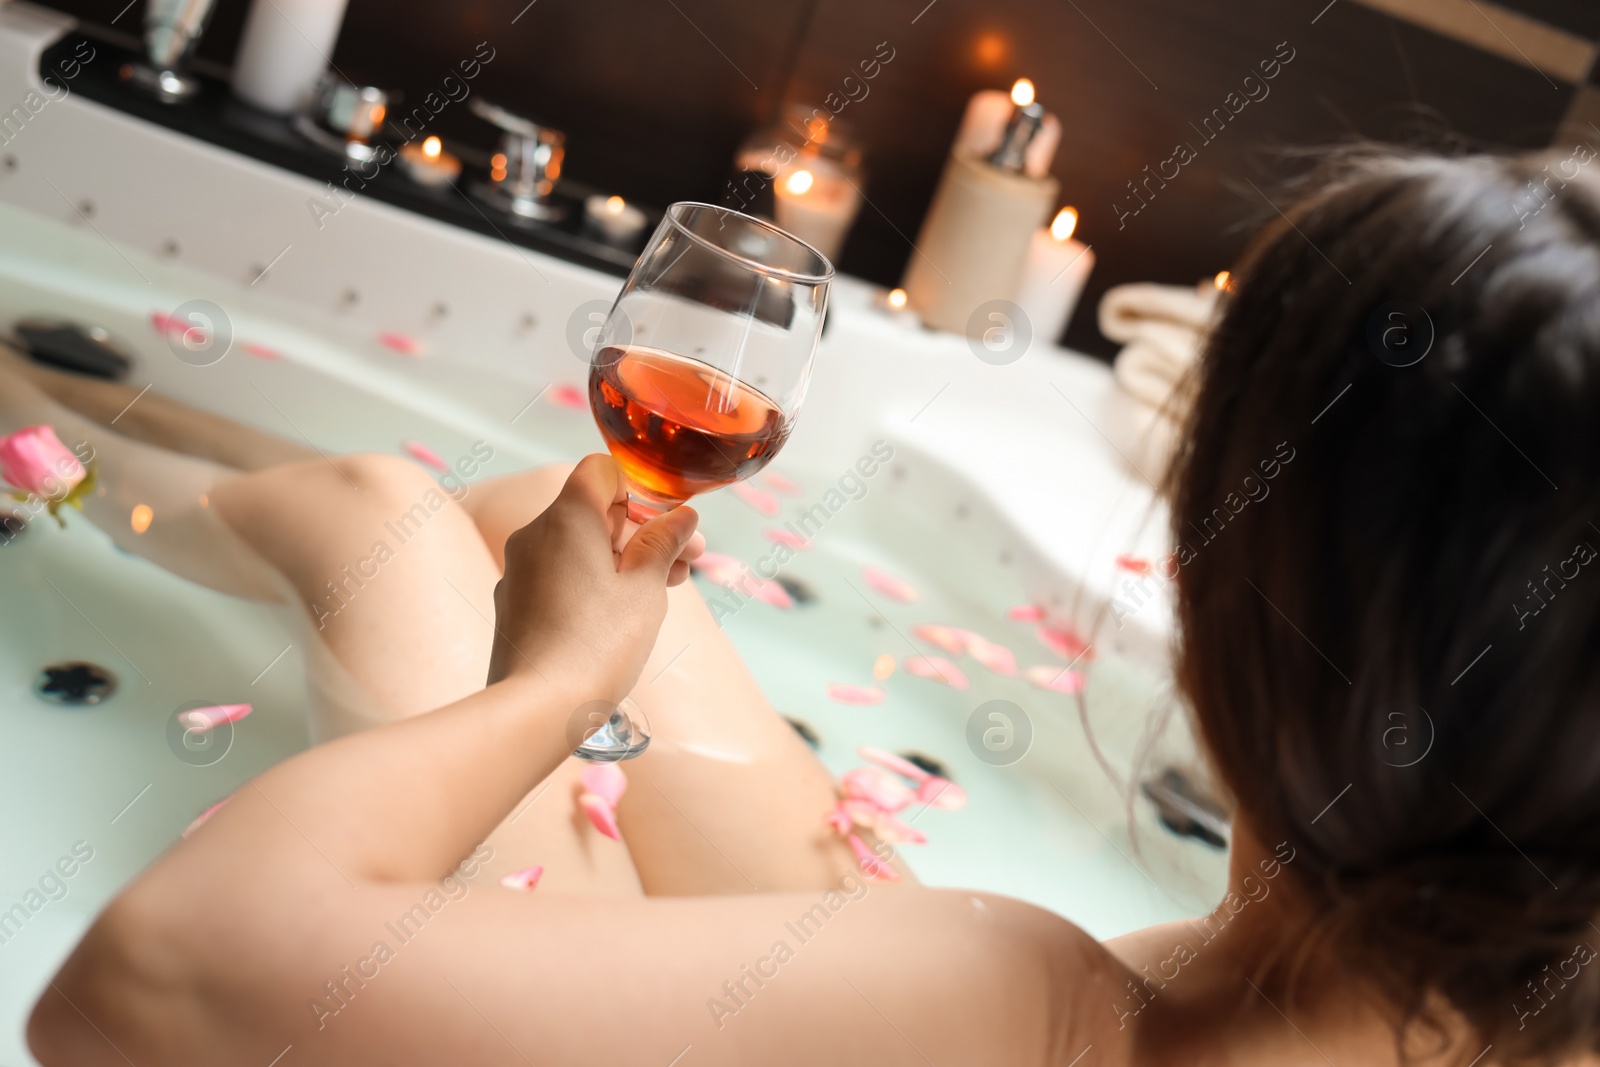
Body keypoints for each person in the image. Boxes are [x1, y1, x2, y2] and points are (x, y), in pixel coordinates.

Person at [22, 147, 1600, 1066]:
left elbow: (143, 984)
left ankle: (40, 430)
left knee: (385, 516)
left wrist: (554, 692)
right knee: (527, 510)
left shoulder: (1033, 1003)